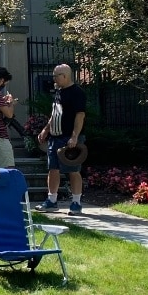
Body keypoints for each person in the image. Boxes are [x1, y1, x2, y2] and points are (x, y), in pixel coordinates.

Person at [36, 63, 87, 214]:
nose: (53, 79)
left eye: (56, 76)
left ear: (64, 76)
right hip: (55, 137)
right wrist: (46, 129)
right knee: (53, 169)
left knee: (73, 170)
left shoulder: (77, 92)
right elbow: (55, 113)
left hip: (69, 138)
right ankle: (51, 201)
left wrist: (75, 137)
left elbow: (80, 115)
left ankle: (76, 203)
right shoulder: (58, 92)